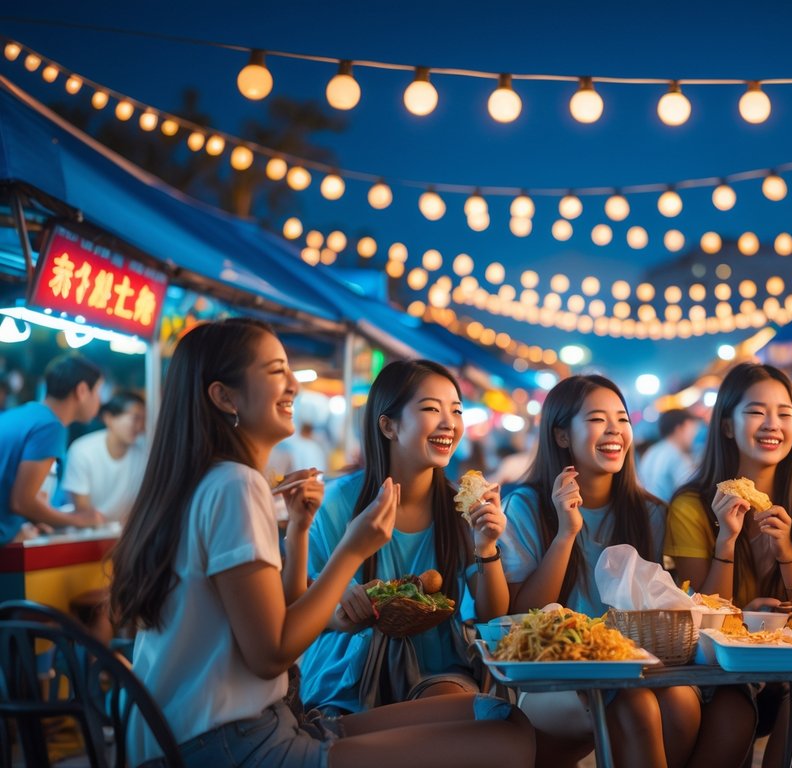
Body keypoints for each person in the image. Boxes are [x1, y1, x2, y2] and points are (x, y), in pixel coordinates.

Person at [109, 318, 533, 768]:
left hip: (210, 731)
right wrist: (352, 550)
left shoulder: (206, 481)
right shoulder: (237, 485)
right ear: (225, 397)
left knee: (499, 716)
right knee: (507, 738)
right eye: (277, 371)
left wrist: (297, 532)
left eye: (457, 410)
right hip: (231, 741)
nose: (295, 384)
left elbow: (279, 615)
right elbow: (272, 654)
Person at [500, 374, 751, 768]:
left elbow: (678, 605)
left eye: (622, 419)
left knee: (682, 703)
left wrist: (726, 543)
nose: (614, 429)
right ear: (561, 435)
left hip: (637, 666)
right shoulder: (525, 506)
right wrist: (566, 533)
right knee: (635, 706)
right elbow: (523, 614)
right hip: (554, 673)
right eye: (597, 419)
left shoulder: (649, 513)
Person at [301, 360, 508, 715]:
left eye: (456, 411)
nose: (449, 423)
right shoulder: (337, 503)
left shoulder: (462, 507)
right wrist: (341, 608)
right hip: (350, 668)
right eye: (431, 409)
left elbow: (493, 613)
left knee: (475, 715)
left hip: (436, 668)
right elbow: (304, 602)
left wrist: (486, 546)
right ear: (388, 425)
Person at [667, 362, 792, 768]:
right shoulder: (692, 505)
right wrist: (726, 541)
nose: (772, 424)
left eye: (784, 413)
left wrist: (786, 552)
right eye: (756, 412)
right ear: (727, 426)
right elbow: (703, 618)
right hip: (720, 670)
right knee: (733, 715)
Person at [0, 354, 105, 542]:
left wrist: (35, 518)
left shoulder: (24, 414)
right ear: (82, 390)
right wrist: (80, 520)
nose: (100, 401)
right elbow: (21, 502)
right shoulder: (50, 426)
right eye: (98, 391)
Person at [62, 390, 148, 523]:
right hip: (88, 530)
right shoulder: (83, 451)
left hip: (125, 530)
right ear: (109, 418)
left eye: (144, 420)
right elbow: (82, 510)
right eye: (135, 418)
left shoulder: (144, 452)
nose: (140, 426)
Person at [637, 408, 700, 502]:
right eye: (692, 430)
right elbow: (691, 493)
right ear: (679, 429)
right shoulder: (677, 456)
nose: (694, 436)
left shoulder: (651, 452)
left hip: (650, 509)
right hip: (670, 509)